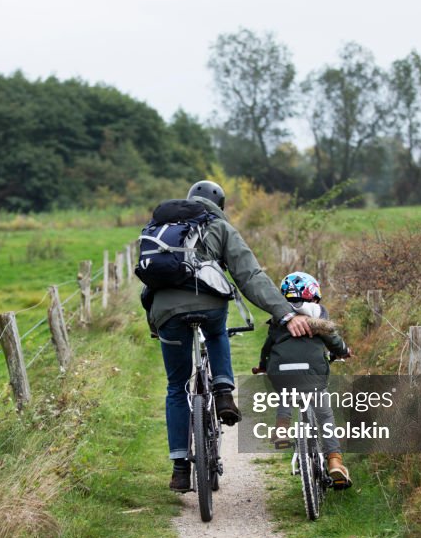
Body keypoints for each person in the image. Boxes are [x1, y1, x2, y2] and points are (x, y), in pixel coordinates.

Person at [149, 180, 314, 492]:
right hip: (209, 304)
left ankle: (180, 469)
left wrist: (155, 323)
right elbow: (249, 276)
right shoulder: (220, 228)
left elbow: (148, 280)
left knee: (176, 387)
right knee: (215, 330)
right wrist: (285, 312)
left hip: (166, 312)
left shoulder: (162, 228)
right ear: (219, 205)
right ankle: (223, 390)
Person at [255, 271, 354, 489]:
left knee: (285, 391)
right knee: (324, 415)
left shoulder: (278, 317)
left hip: (281, 369)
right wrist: (344, 351)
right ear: (314, 295)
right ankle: (334, 460)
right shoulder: (317, 313)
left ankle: (281, 427)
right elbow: (332, 339)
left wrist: (262, 365)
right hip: (312, 372)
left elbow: (267, 347)